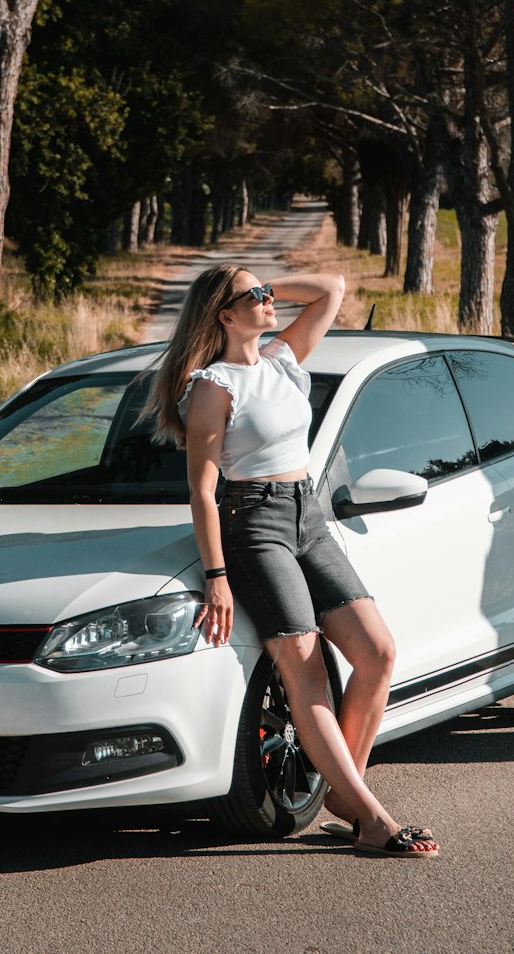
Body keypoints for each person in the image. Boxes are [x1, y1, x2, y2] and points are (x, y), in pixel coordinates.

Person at [145, 262, 438, 859]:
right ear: (225, 317)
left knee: (377, 653)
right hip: (253, 524)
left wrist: (260, 285)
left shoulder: (280, 360)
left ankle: (343, 798)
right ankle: (375, 818)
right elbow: (202, 491)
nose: (267, 299)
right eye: (251, 297)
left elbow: (333, 288)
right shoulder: (213, 385)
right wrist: (217, 576)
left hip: (308, 517)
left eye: (265, 292)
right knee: (306, 670)